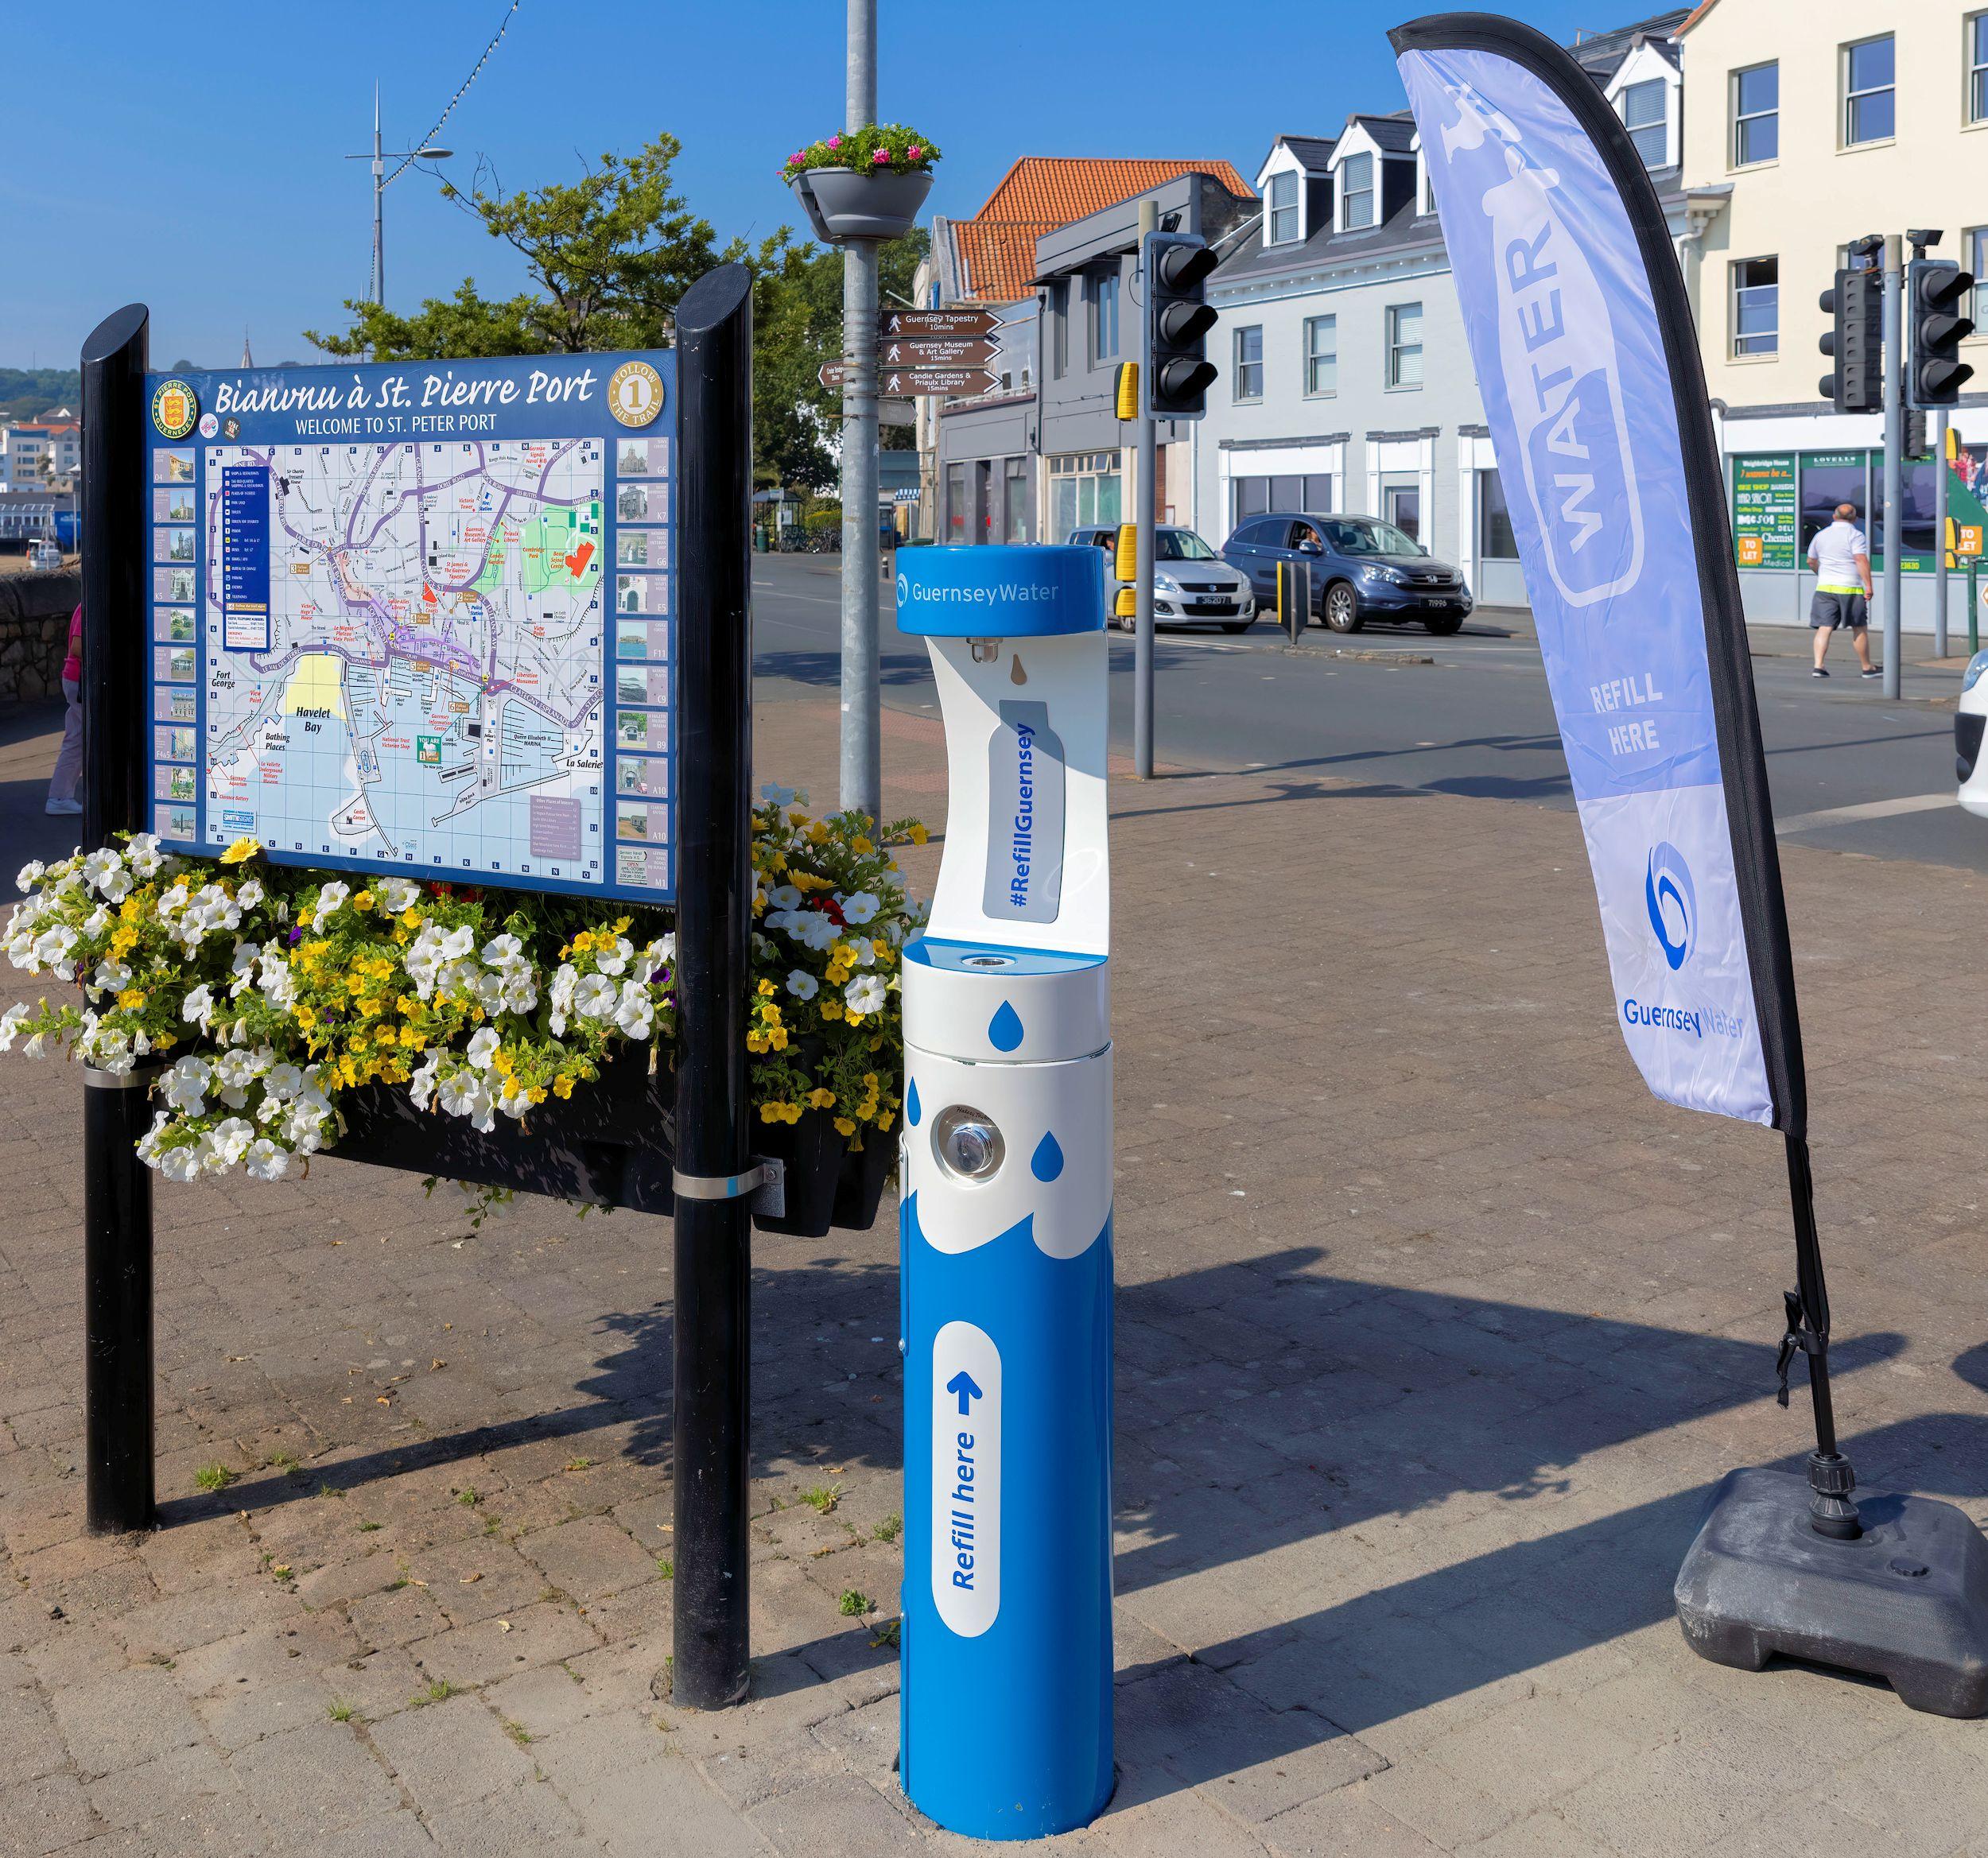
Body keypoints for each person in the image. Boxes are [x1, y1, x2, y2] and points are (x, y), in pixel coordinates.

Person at [1807, 502, 1880, 680]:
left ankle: (1818, 666)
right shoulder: (1855, 535)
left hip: (1825, 587)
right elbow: (1861, 560)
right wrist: (1868, 585)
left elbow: (1811, 560)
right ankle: (1867, 667)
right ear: (1854, 519)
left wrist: (1821, 573)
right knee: (1859, 628)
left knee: (1824, 627)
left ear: (1834, 516)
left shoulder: (1821, 535)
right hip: (1851, 588)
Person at [45, 606, 83, 816]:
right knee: (82, 740)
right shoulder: (89, 603)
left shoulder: (84, 603)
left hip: (74, 678)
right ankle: (59, 798)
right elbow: (78, 647)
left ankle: (59, 797)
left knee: (76, 740)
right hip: (80, 681)